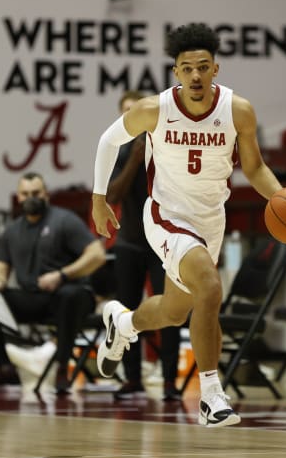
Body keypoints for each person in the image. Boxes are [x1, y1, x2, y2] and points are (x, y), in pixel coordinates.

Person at [91, 23, 284, 427]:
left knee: (176, 313)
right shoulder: (153, 109)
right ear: (175, 72)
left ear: (216, 69)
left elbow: (254, 168)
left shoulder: (238, 110)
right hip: (166, 217)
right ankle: (210, 395)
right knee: (210, 288)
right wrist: (98, 198)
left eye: (203, 67)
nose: (195, 75)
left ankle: (121, 324)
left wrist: (282, 198)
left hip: (210, 220)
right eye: (186, 68)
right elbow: (109, 141)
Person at [0, 172, 106, 395]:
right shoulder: (12, 230)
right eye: (25, 193)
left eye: (36, 193)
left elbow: (97, 255)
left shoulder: (65, 220)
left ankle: (62, 367)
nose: (31, 197)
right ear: (18, 196)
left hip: (69, 293)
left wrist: (62, 275)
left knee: (69, 296)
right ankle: (4, 369)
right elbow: (1, 268)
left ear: (46, 194)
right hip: (32, 297)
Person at [106, 90, 181, 401]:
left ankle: (169, 382)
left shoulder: (166, 146)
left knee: (171, 311)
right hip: (131, 242)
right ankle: (133, 378)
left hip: (163, 243)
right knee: (127, 310)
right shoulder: (120, 151)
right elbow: (112, 196)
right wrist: (135, 161)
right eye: (125, 111)